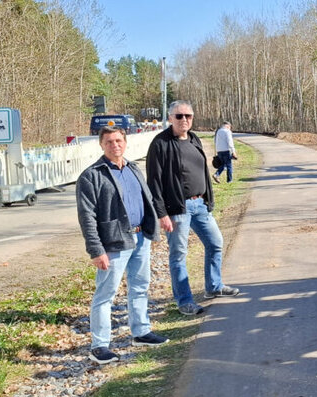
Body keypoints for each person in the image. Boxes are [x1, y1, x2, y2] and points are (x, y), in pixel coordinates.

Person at [76, 126, 169, 365]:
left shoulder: (133, 168)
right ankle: (99, 346)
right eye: (109, 142)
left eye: (118, 140)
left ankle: (141, 332)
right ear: (101, 145)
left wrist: (153, 228)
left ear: (125, 142)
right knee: (105, 295)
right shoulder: (92, 175)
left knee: (140, 287)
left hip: (140, 239)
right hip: (114, 243)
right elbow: (87, 217)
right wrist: (96, 250)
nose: (114, 145)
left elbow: (146, 200)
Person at [147, 100, 239, 317]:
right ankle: (184, 301)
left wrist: (208, 198)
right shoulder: (160, 144)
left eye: (188, 116)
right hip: (177, 208)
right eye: (179, 116)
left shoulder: (194, 138)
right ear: (170, 118)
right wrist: (162, 213)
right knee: (178, 254)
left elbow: (202, 171)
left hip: (200, 205)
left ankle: (214, 286)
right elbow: (154, 182)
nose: (184, 120)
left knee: (215, 243)